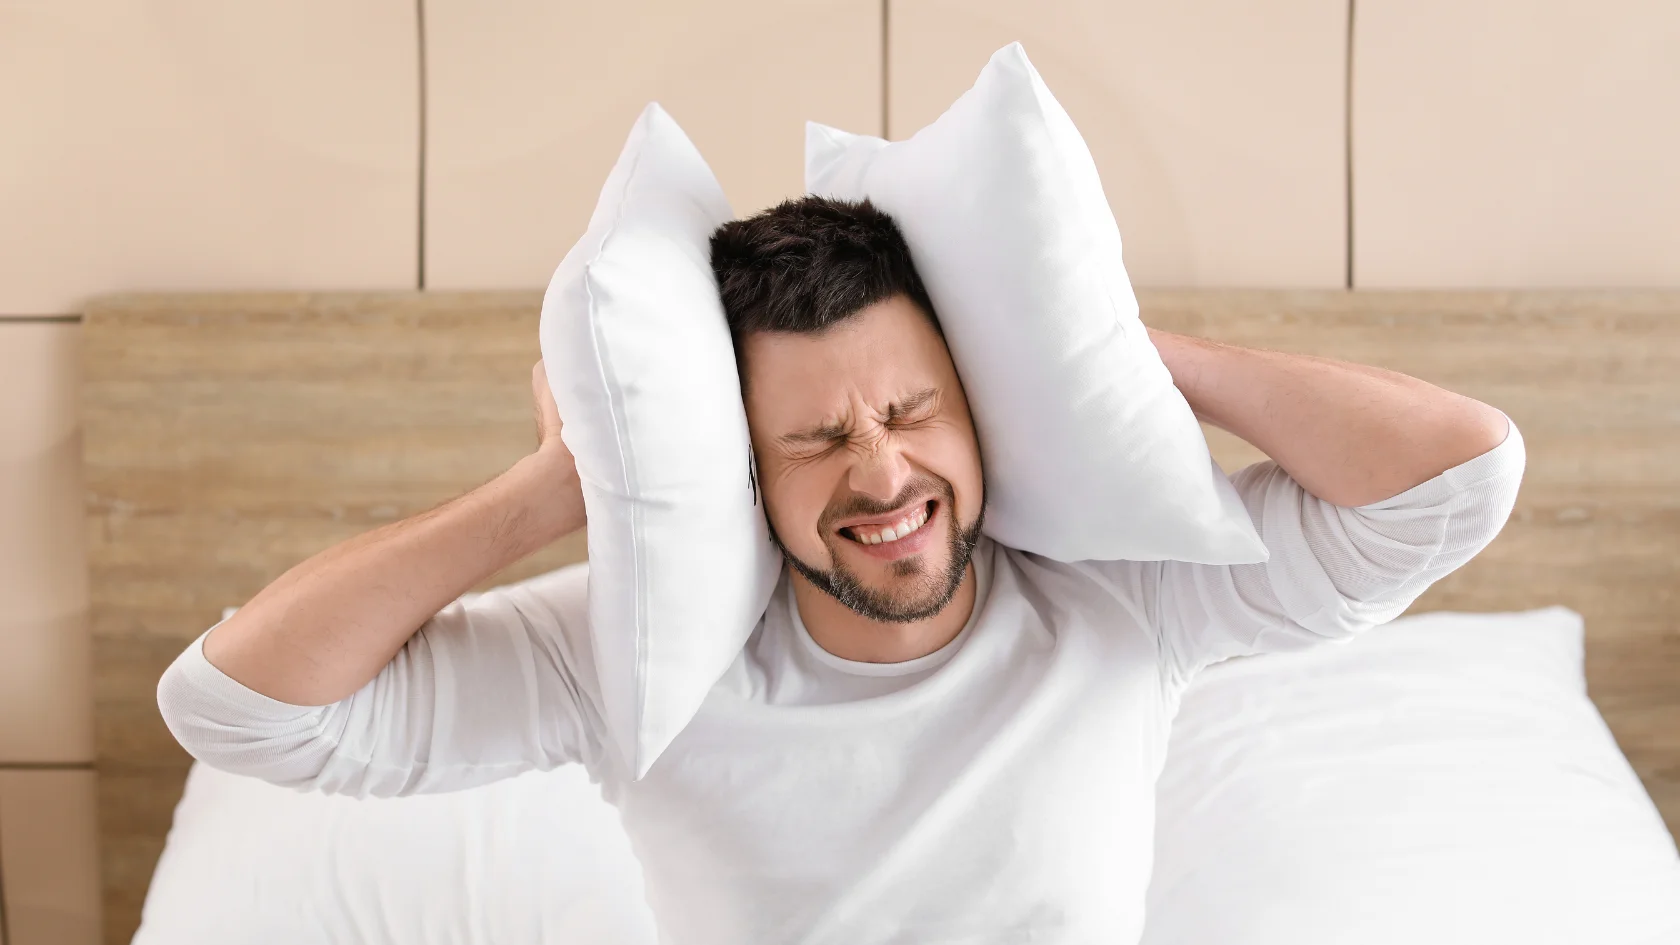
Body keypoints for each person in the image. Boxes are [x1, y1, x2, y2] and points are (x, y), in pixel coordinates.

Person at [157, 196, 1525, 944]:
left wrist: (1112, 361)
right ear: (738, 473)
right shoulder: (638, 655)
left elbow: (1458, 478)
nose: (880, 476)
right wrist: (557, 490)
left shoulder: (1128, 598)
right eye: (812, 440)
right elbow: (239, 710)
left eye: (914, 410)